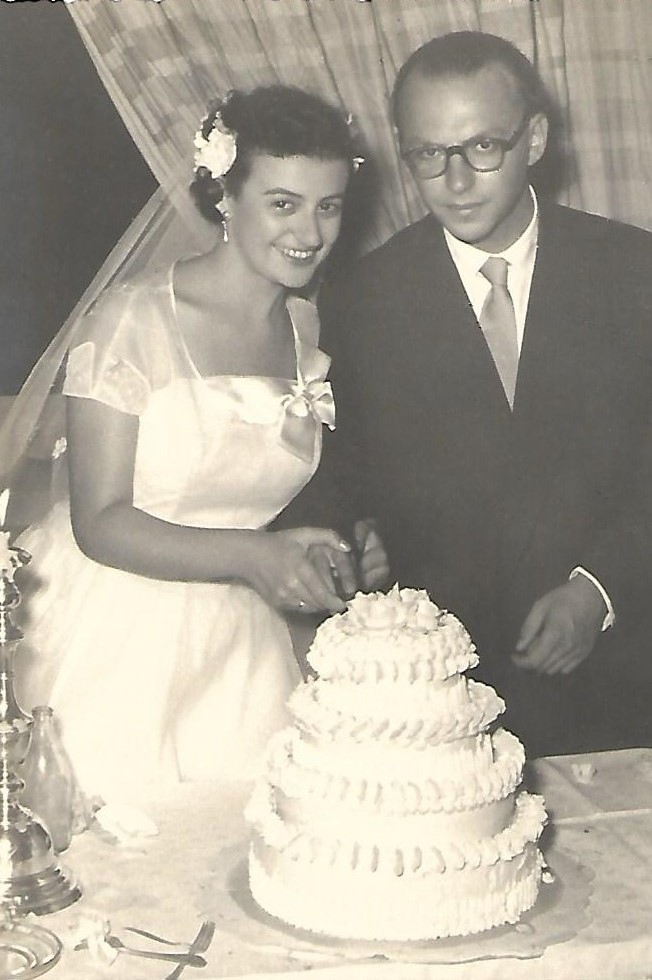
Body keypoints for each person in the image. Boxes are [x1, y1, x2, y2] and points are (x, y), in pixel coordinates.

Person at [6, 84, 387, 804]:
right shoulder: (131, 322)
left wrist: (314, 544)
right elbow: (100, 520)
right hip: (112, 627)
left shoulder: (309, 331)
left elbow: (254, 493)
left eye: (328, 205)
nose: (310, 230)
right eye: (283, 203)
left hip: (238, 641)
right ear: (223, 198)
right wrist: (253, 556)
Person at [302, 31, 652, 757]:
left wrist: (600, 590)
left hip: (627, 682)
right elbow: (345, 472)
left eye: (481, 147)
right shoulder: (366, 299)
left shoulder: (634, 273)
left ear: (535, 138)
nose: (455, 181)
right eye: (429, 155)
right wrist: (350, 541)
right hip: (450, 709)